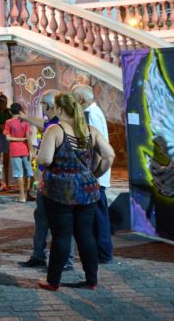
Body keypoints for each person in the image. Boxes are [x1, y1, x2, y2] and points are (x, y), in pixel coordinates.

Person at [36, 91, 114, 291]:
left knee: (61, 236)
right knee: (85, 235)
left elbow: (44, 160)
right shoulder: (90, 130)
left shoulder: (55, 130)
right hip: (87, 190)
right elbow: (109, 155)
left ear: (60, 109)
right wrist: (94, 174)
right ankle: (91, 280)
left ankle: (53, 281)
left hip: (58, 191)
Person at [20, 92, 75, 271]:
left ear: (50, 106)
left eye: (42, 104)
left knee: (62, 222)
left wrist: (39, 158)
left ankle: (65, 261)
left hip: (56, 182)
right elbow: (41, 123)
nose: (41, 107)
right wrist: (24, 117)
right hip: (48, 182)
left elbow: (45, 159)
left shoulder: (58, 127)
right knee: (42, 218)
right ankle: (39, 255)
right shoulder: (53, 124)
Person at [75, 84, 114, 263]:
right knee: (97, 216)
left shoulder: (91, 115)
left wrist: (94, 174)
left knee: (99, 217)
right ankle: (101, 252)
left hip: (95, 177)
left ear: (81, 99)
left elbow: (97, 148)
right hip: (96, 175)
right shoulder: (94, 112)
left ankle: (104, 253)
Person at [4, 102, 34, 203]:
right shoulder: (25, 121)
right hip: (25, 149)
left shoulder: (8, 122)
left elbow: (8, 138)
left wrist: (18, 139)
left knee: (19, 173)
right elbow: (28, 137)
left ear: (10, 111)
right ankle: (28, 194)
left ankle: (22, 196)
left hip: (15, 149)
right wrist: (31, 150)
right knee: (29, 172)